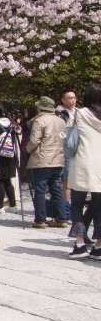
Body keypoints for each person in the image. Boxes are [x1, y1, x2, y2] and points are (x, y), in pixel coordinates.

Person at [66, 84, 101, 259]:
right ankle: (99, 246)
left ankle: (80, 243)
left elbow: (72, 140)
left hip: (83, 162)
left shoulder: (81, 113)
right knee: (99, 206)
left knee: (77, 205)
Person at [26, 96, 69, 228]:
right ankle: (61, 218)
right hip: (58, 159)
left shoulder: (39, 121)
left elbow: (34, 140)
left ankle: (40, 219)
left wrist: (27, 150)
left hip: (42, 159)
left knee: (40, 189)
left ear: (40, 107)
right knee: (57, 189)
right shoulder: (61, 121)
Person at [0, 102, 20, 212]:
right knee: (8, 180)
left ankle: (0, 206)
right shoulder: (11, 123)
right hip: (11, 154)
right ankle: (12, 204)